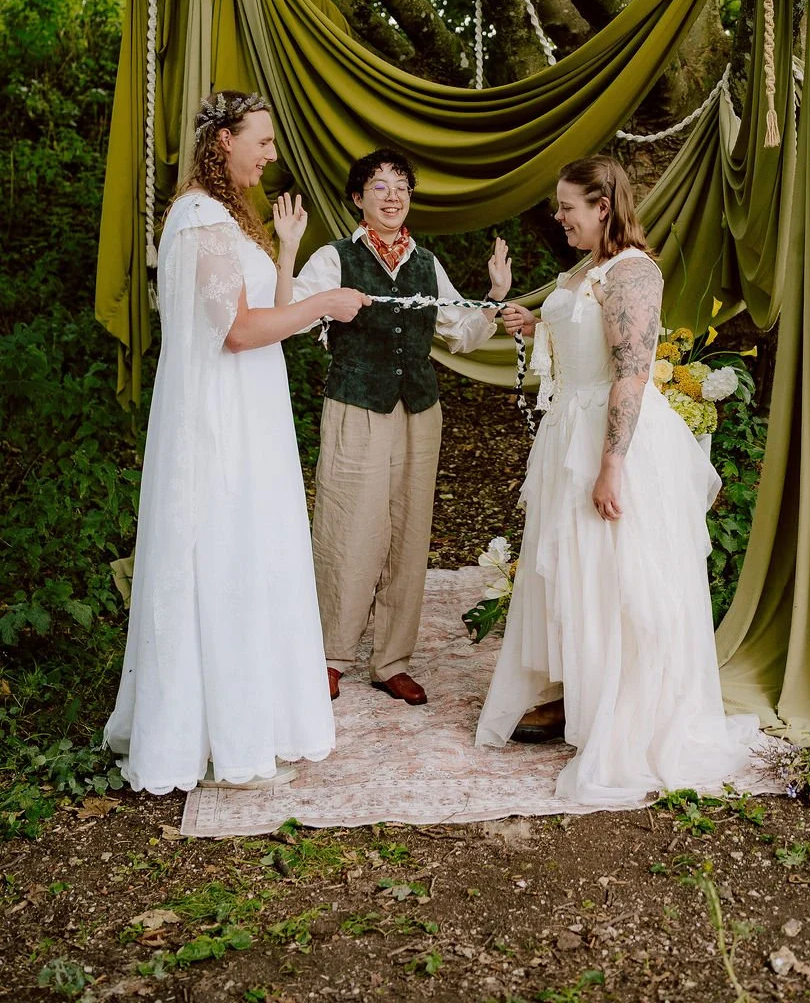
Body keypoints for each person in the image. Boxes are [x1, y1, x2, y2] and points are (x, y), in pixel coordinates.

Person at [476, 155, 764, 805]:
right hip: (568, 428)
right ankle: (582, 694)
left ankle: (626, 711)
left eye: (568, 207)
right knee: (579, 570)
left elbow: (630, 373)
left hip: (613, 438)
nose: (559, 217)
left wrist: (612, 465)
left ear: (602, 206)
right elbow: (579, 340)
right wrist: (533, 322)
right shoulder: (585, 269)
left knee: (620, 574)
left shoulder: (633, 272)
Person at [104, 91, 367, 794]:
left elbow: (263, 310)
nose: (272, 154)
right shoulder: (197, 219)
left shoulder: (226, 218)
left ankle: (257, 716)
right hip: (220, 422)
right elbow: (238, 331)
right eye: (264, 140)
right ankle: (212, 729)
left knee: (257, 555)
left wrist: (286, 253)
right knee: (223, 557)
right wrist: (326, 303)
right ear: (224, 140)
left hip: (254, 414)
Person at [278, 146, 512, 707]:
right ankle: (331, 655)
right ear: (358, 198)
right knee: (348, 527)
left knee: (409, 531)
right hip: (357, 402)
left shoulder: (427, 263)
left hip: (418, 408)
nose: (393, 196)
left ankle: (391, 660)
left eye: (402, 186)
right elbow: (288, 318)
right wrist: (288, 253)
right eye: (379, 186)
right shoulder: (335, 258)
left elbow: (462, 333)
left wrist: (496, 297)